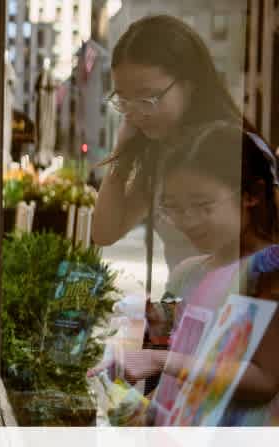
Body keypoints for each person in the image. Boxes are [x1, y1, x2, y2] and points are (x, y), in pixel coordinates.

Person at [91, 122, 279, 425]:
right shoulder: (189, 272)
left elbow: (265, 380)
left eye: (202, 206)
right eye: (173, 207)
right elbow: (186, 353)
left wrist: (160, 360)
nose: (187, 220)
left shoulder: (267, 269)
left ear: (252, 194)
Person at [92, 15, 269, 272]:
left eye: (147, 98)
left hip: (235, 305)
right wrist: (122, 152)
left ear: (190, 85)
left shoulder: (233, 148)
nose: (134, 113)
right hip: (188, 306)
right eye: (124, 100)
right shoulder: (162, 150)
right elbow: (105, 232)